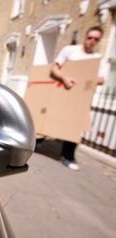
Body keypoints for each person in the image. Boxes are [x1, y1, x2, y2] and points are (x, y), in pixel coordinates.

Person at [50, 26, 105, 171]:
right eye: (90, 37)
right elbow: (54, 68)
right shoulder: (70, 50)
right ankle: (35, 143)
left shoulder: (96, 58)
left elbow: (101, 79)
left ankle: (68, 156)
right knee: (51, 118)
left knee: (75, 126)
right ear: (85, 36)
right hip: (62, 91)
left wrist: (83, 79)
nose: (92, 41)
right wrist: (65, 78)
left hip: (80, 97)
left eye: (96, 39)